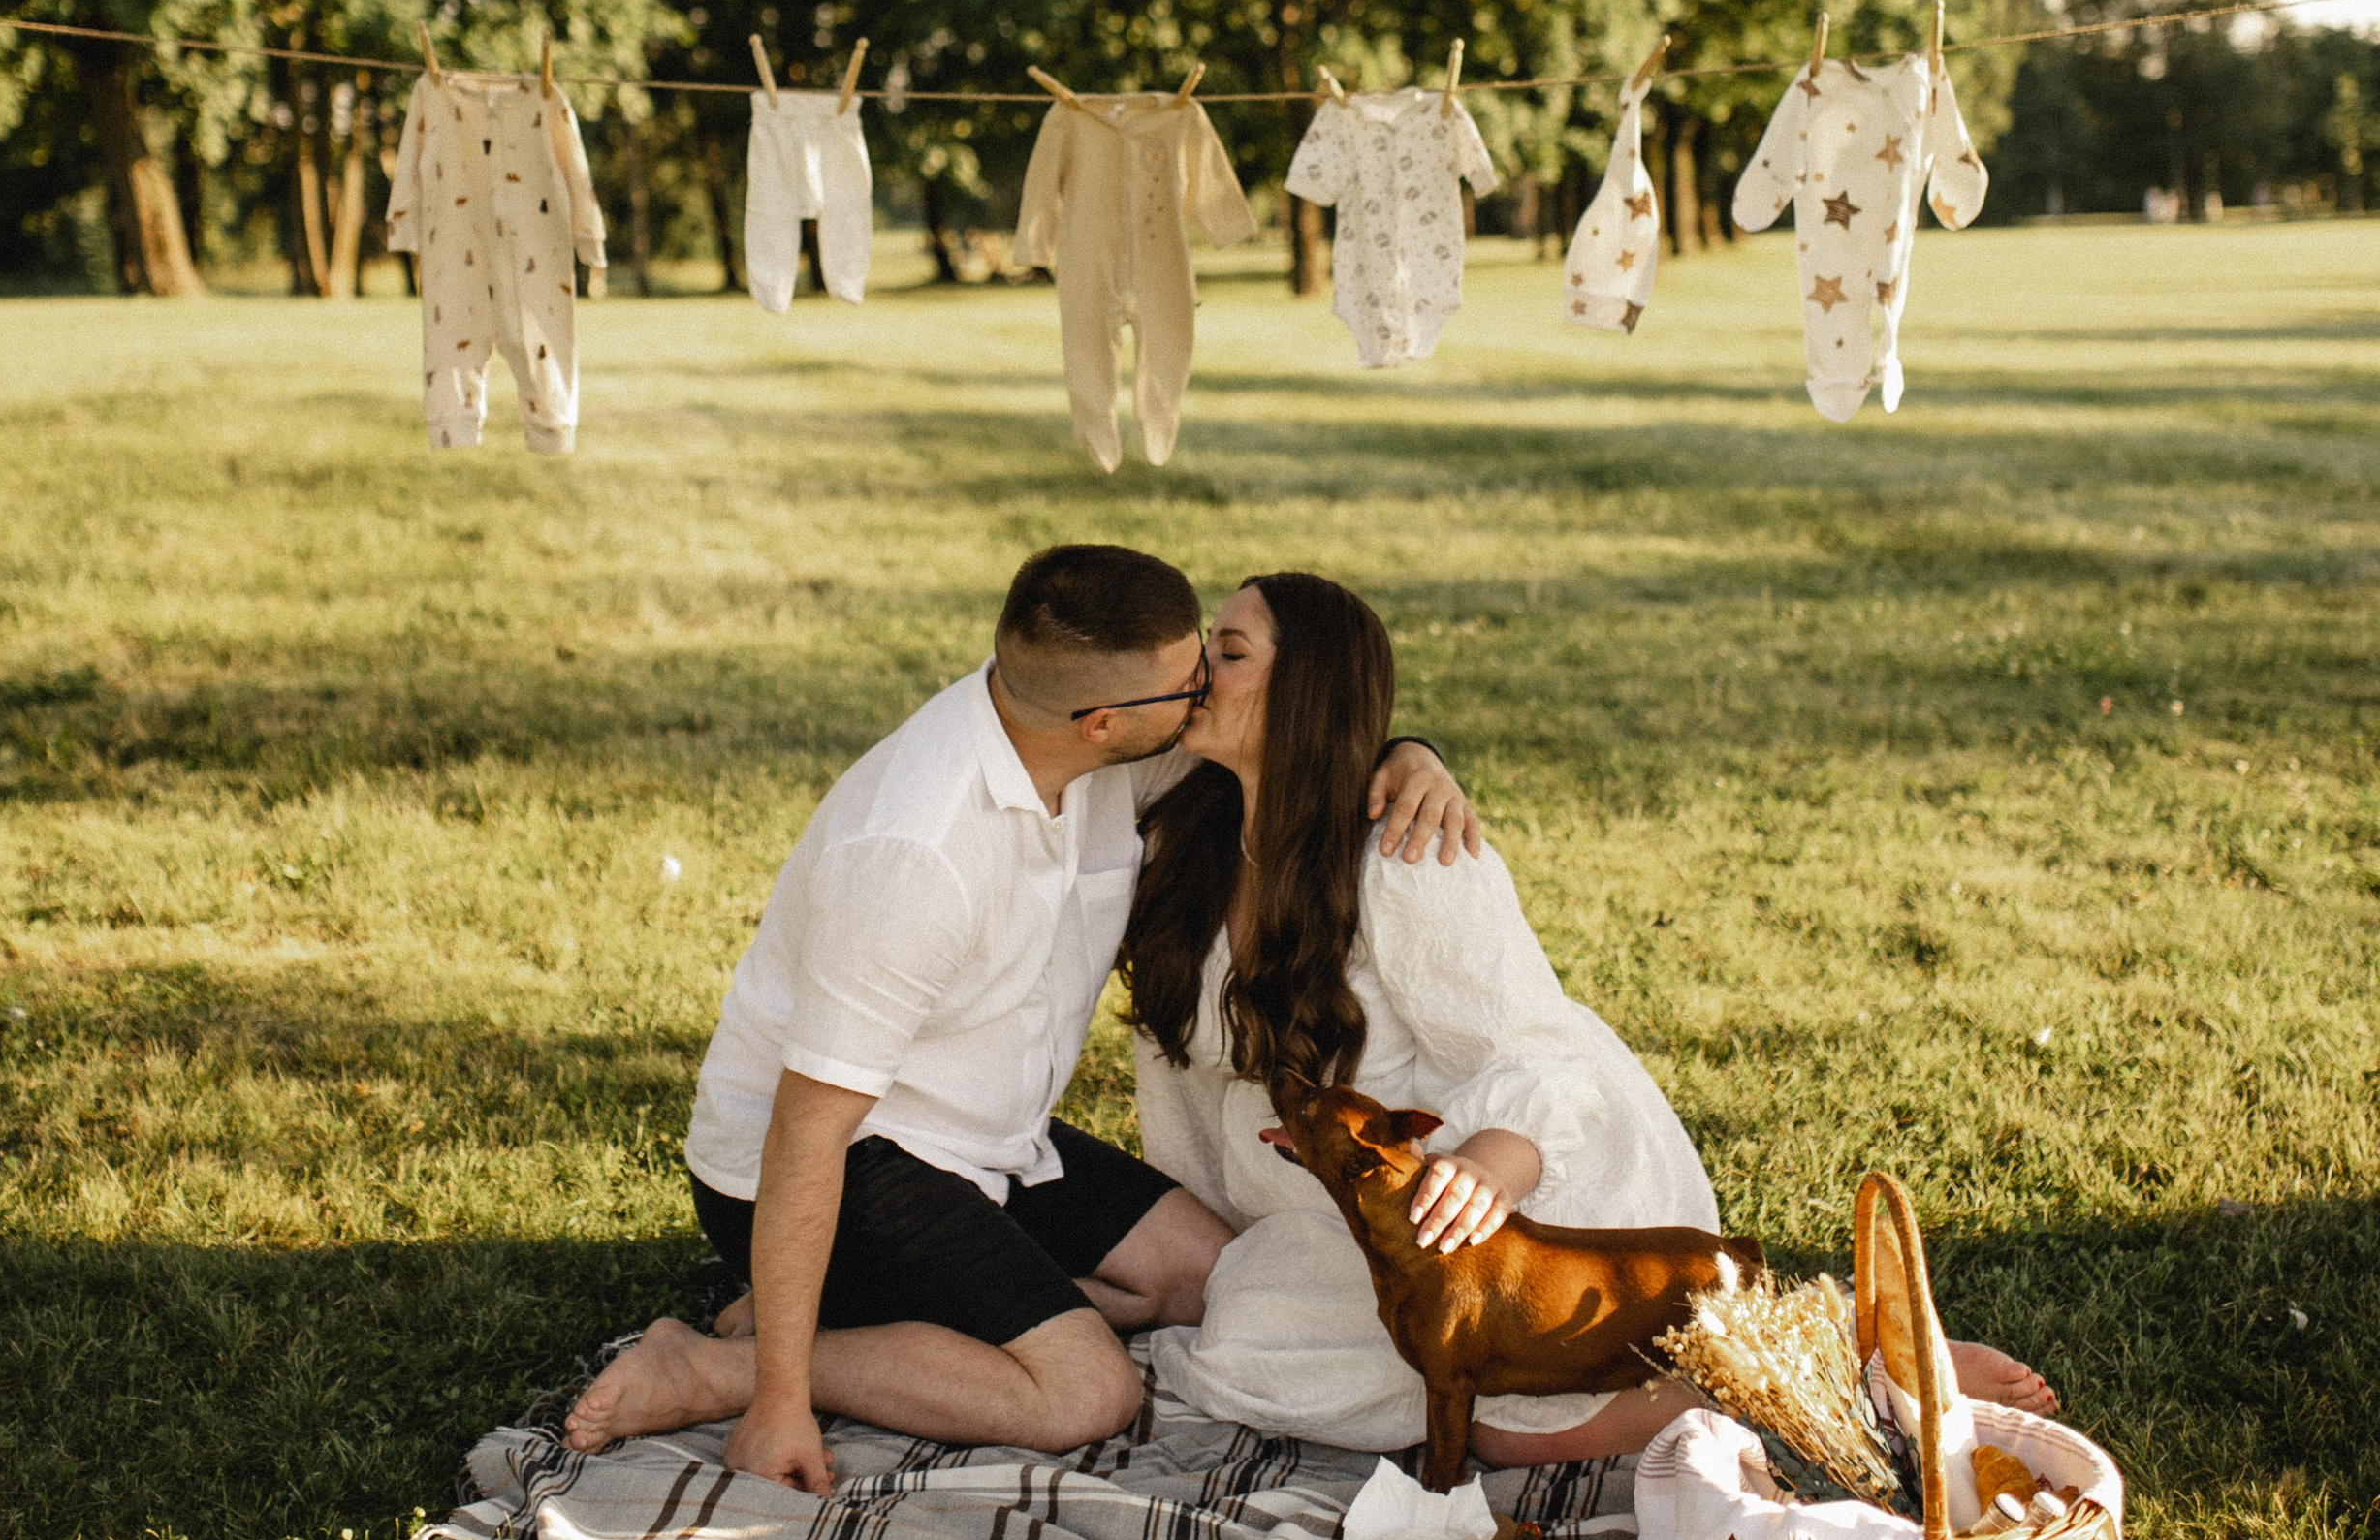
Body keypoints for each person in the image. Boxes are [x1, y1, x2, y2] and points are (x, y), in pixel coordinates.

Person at [561, 543, 1481, 1484]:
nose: (1206, 685)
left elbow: (1287, 753)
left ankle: (875, 1322)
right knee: (1087, 1392)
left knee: (1217, 1276)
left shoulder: (1101, 744)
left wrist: (1413, 754)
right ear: (1102, 722)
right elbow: (805, 1133)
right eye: (1188, 680)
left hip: (991, 1134)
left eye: (1206, 653)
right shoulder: (914, 856)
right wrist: (777, 1403)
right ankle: (720, 1364)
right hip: (837, 1159)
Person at [1128, 572, 2057, 1466]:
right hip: (1353, 1212)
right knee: (1251, 1339)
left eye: (1231, 650)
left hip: (1522, 1185)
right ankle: (1773, 1361)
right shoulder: (1185, 832)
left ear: (1305, 695)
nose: (1201, 668)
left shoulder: (1406, 859)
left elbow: (1535, 1050)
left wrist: (1492, 1166)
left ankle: (1850, 1368)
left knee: (1510, 1426)